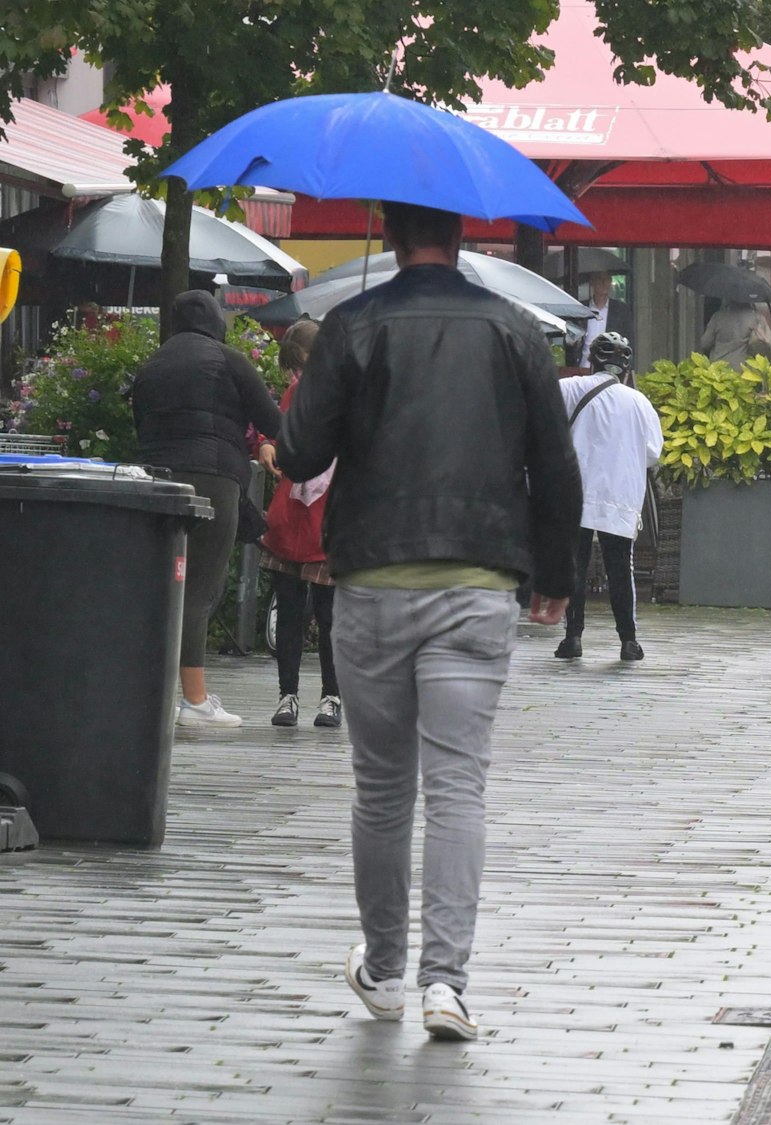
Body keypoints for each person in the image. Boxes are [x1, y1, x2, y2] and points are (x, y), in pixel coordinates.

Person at [278, 201, 583, 1041]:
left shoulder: (352, 325)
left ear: (388, 233)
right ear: (461, 234)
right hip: (478, 580)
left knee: (382, 788)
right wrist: (557, 577)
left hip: (372, 580)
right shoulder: (517, 330)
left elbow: (299, 454)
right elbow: (556, 464)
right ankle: (446, 985)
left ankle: (383, 969)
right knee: (457, 787)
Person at [129, 289, 285, 728]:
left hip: (155, 480)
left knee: (163, 585)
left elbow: (140, 423)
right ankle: (195, 702)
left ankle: (154, 692)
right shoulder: (227, 359)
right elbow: (273, 422)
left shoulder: (153, 364)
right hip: (212, 478)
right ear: (216, 320)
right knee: (198, 588)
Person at [557, 332, 664, 661]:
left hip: (576, 492)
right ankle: (628, 641)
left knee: (574, 566)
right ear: (626, 368)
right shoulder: (639, 403)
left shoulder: (571, 388)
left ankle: (573, 638)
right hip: (619, 495)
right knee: (620, 568)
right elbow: (652, 453)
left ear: (592, 361)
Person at [259, 320, 341, 729]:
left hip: (330, 515)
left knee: (330, 616)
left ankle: (332, 696)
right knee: (289, 609)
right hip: (292, 511)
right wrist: (267, 446)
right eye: (294, 368)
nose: (298, 374)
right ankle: (287, 694)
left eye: (303, 365)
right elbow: (279, 435)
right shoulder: (295, 393)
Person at [579, 270, 631, 358]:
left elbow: (627, 340)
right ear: (592, 282)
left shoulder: (621, 310)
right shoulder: (582, 308)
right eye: (600, 279)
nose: (604, 283)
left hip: (609, 362)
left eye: (606, 279)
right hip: (584, 363)